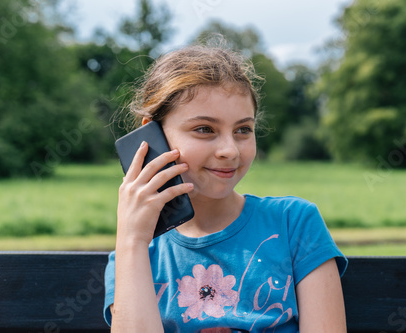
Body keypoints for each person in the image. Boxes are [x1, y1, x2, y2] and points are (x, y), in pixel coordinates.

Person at [104, 42, 348, 332]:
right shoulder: (136, 253)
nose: (230, 150)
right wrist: (132, 239)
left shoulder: (294, 222)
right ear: (152, 136)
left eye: (243, 130)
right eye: (205, 129)